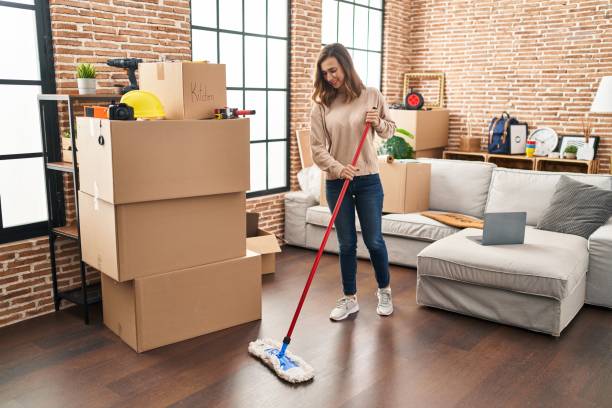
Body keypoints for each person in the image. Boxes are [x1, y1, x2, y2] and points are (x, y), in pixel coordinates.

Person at [309, 43, 396, 321]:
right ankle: (349, 299)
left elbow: (389, 131)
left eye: (333, 70)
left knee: (374, 240)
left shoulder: (371, 95)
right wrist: (337, 168)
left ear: (345, 65)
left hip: (368, 179)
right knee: (346, 243)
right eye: (325, 73)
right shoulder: (322, 105)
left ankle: (384, 291)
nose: (330, 77)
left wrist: (379, 123)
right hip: (338, 182)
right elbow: (317, 148)